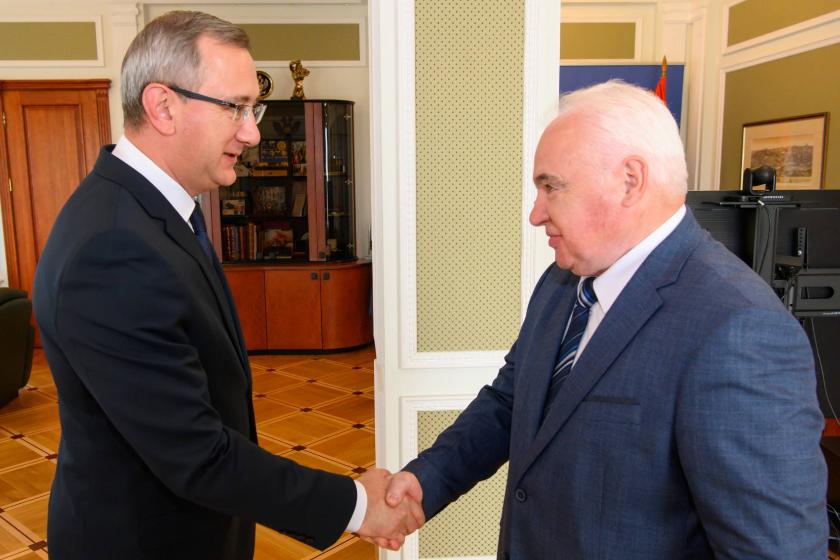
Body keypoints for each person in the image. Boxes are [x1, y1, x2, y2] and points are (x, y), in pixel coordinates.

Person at [33, 11, 421, 559]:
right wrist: (357, 505)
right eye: (234, 107)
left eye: (251, 109)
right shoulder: (114, 247)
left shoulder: (149, 213)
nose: (252, 132)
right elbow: (195, 454)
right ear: (163, 106)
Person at [384, 80, 827, 558]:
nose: (536, 214)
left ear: (630, 181)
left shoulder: (740, 330)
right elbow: (512, 401)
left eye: (551, 187)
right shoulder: (563, 280)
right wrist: (427, 481)